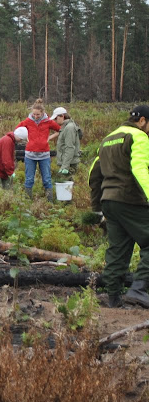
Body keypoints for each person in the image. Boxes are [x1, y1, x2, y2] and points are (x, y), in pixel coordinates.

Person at [89, 105, 149, 309]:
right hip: (131, 200)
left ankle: (114, 298)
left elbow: (93, 174)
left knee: (118, 250)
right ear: (142, 121)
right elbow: (139, 168)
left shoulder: (108, 139)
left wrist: (97, 209)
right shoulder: (139, 137)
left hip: (109, 202)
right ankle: (139, 289)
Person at [18, 98, 61, 199]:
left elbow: (60, 130)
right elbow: (17, 130)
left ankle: (49, 202)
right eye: (34, 114)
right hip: (30, 155)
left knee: (47, 179)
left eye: (38, 114)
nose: (35, 116)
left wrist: (50, 137)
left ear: (42, 113)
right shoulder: (28, 121)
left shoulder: (48, 121)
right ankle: (28, 202)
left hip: (44, 155)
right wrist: (25, 137)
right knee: (29, 179)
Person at [51, 106, 82, 177]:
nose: (54, 121)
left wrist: (65, 167)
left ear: (62, 116)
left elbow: (70, 147)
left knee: (68, 186)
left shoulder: (69, 128)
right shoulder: (65, 127)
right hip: (66, 163)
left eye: (56, 118)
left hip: (69, 165)